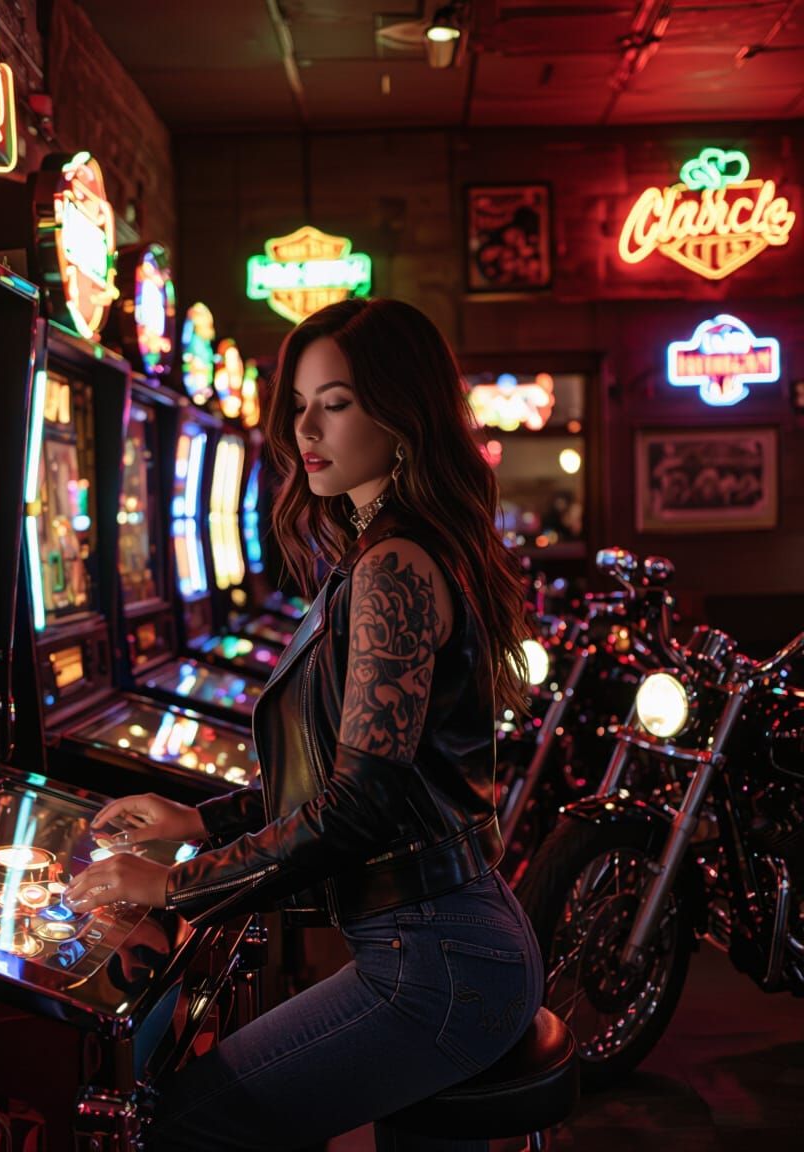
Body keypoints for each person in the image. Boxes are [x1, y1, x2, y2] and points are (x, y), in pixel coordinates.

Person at [64, 297, 544, 1152]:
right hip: (445, 946)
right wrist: (197, 820)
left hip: (438, 965)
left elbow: (360, 806)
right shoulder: (390, 548)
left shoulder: (396, 564)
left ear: (402, 415)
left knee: (183, 1125)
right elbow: (351, 771)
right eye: (300, 405)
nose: (306, 430)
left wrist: (174, 887)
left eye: (338, 402)